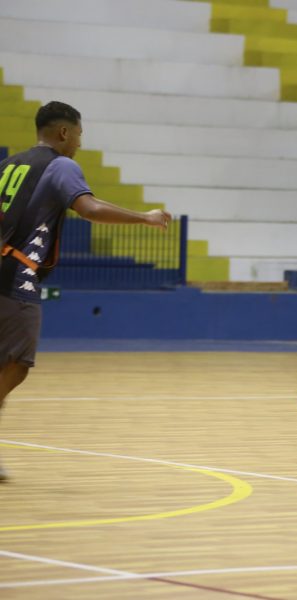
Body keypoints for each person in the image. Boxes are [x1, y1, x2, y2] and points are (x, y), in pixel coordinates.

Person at [0, 101, 172, 482]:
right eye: (78, 134)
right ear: (64, 132)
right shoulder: (60, 165)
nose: (79, 143)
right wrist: (143, 217)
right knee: (16, 364)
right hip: (15, 280)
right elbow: (90, 209)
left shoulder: (9, 165)